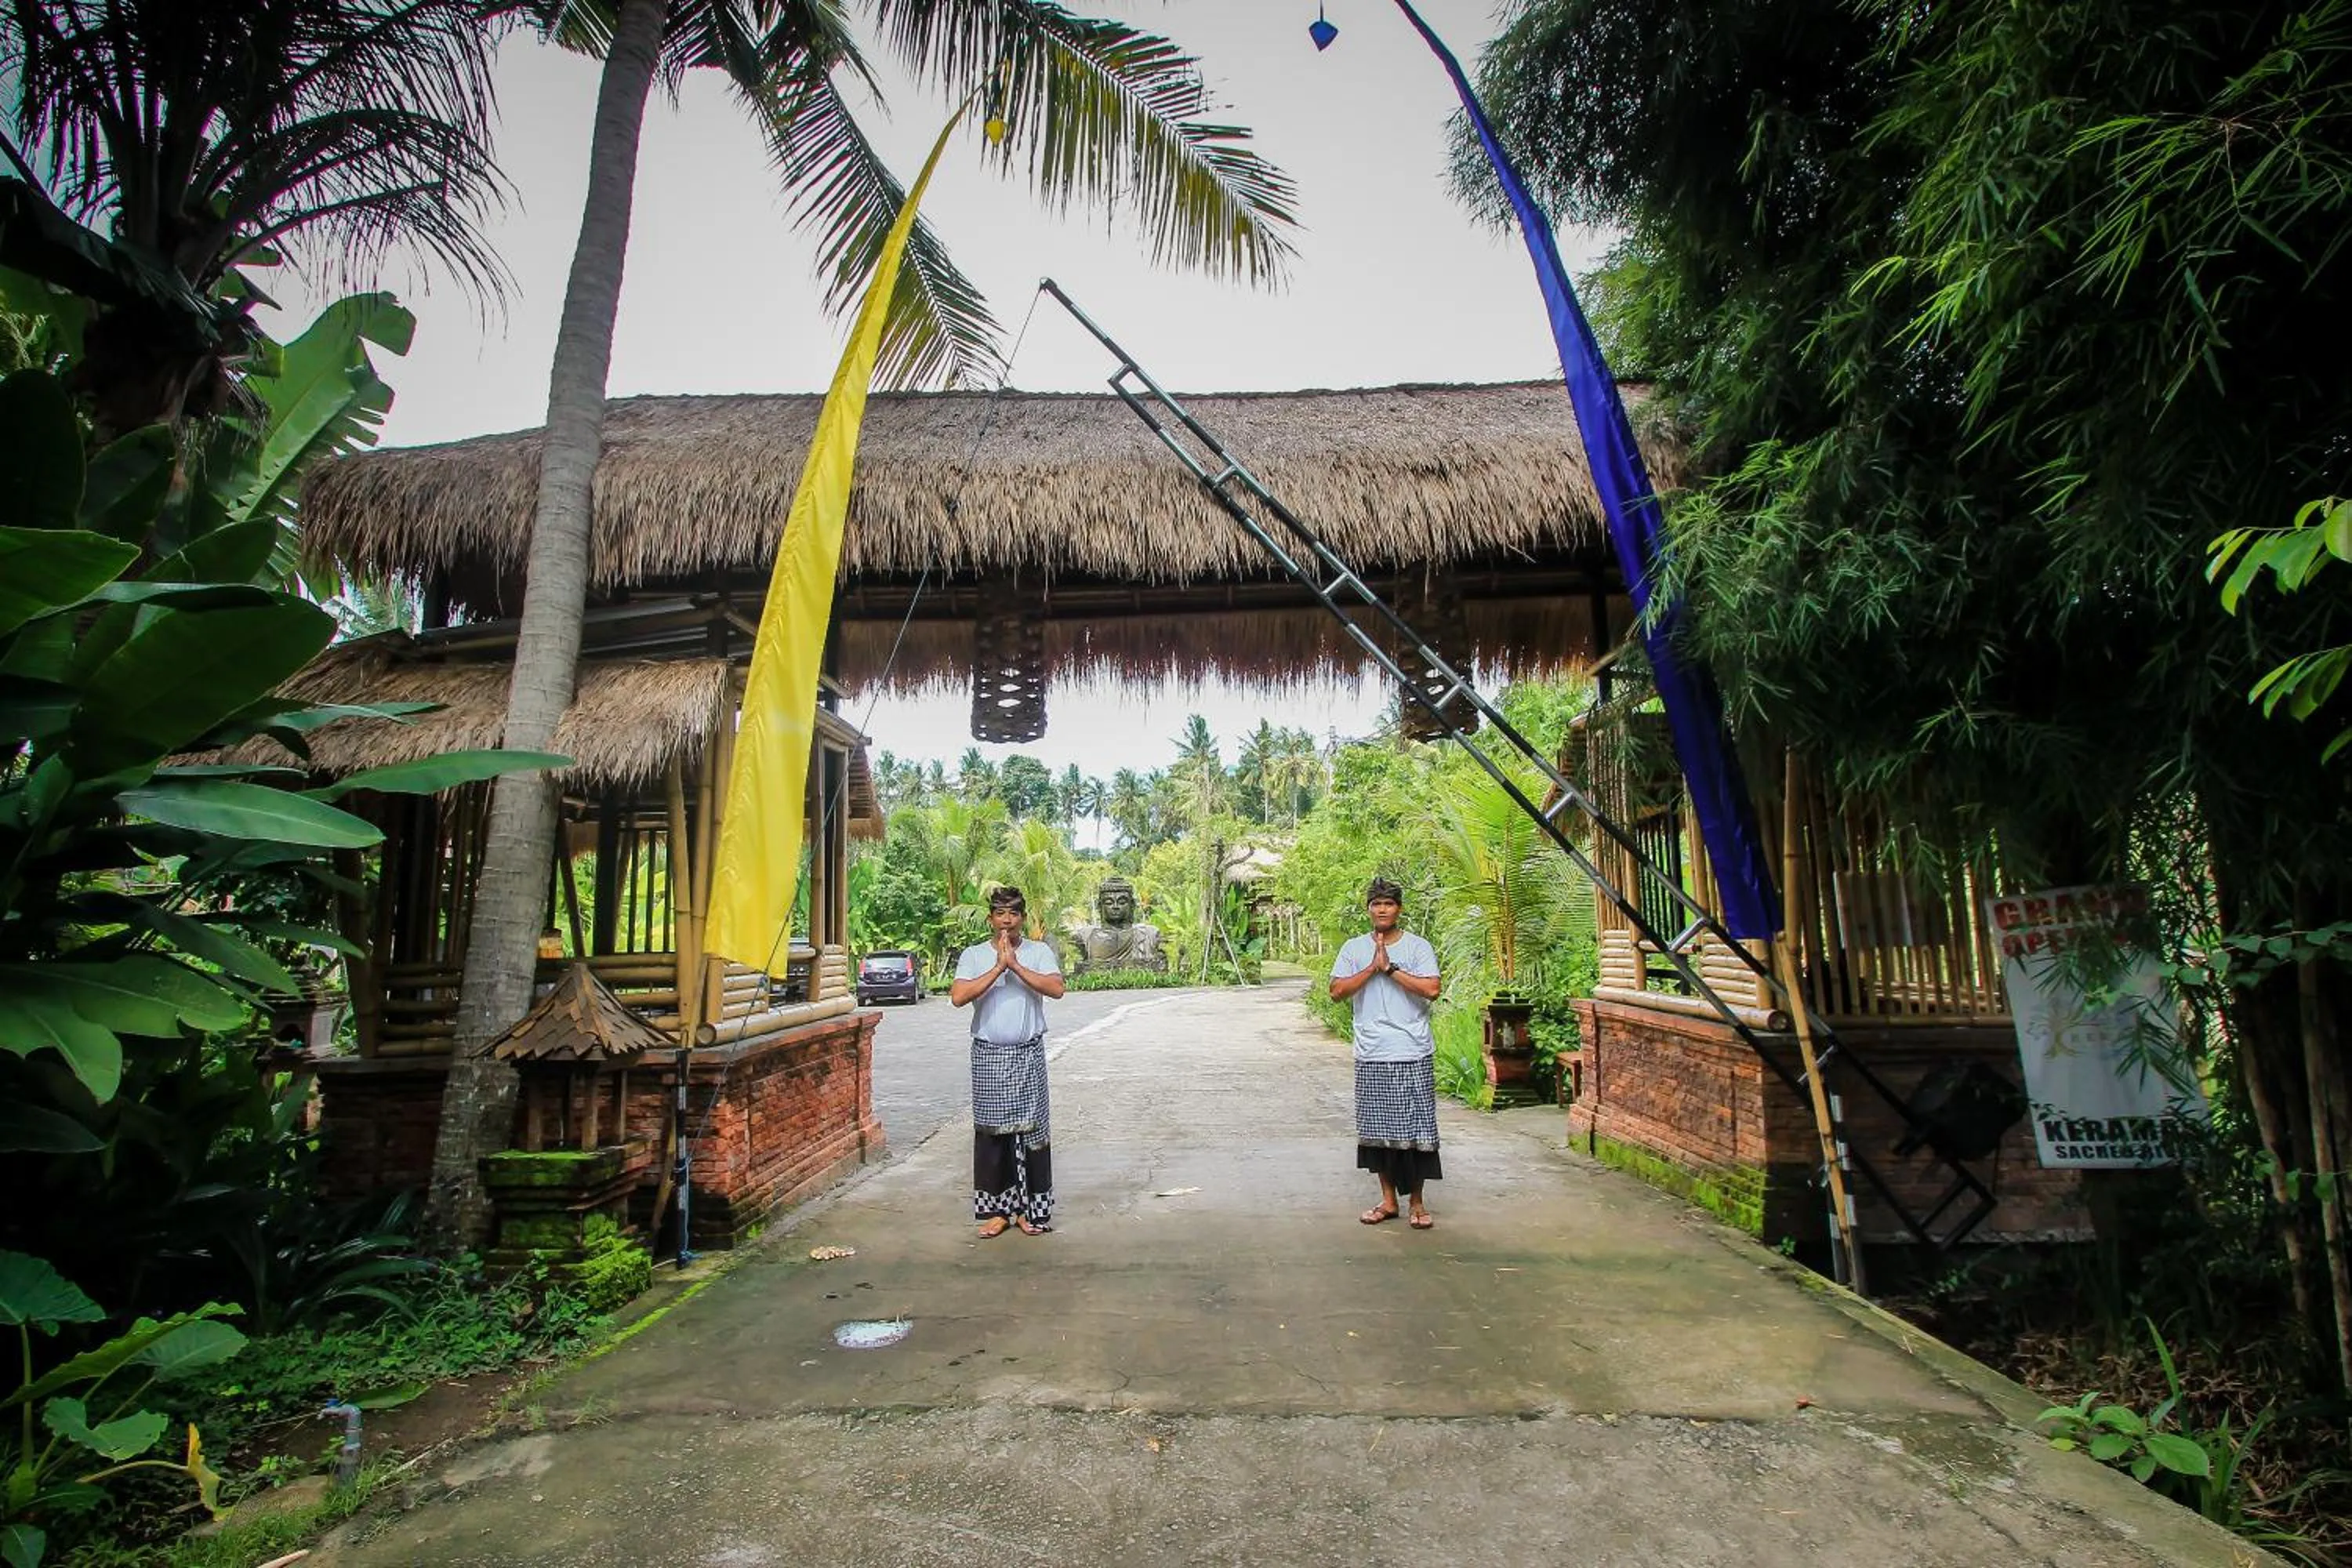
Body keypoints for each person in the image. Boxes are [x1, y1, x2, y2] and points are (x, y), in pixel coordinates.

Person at [950, 885, 1067, 1237]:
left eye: (1014, 914)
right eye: (1000, 914)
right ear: (990, 918)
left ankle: (1029, 1211)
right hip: (988, 1057)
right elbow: (958, 997)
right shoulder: (973, 955)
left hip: (1028, 1055)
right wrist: (997, 968)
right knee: (992, 1135)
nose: (1007, 921)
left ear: (1023, 918)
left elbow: (1057, 989)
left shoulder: (1039, 951)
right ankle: (999, 1212)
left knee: (1032, 1132)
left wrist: (1014, 965)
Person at [1329, 877, 1444, 1229]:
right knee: (1378, 1131)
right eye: (1376, 903)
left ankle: (1418, 1204)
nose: (1382, 909)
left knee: (1417, 1129)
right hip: (1372, 1052)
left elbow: (1432, 989)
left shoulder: (1418, 947)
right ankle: (1389, 1201)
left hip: (1411, 1050)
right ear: (1368, 909)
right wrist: (1372, 968)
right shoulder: (1353, 948)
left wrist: (1391, 969)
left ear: (1399, 909)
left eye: (1389, 904)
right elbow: (1336, 991)